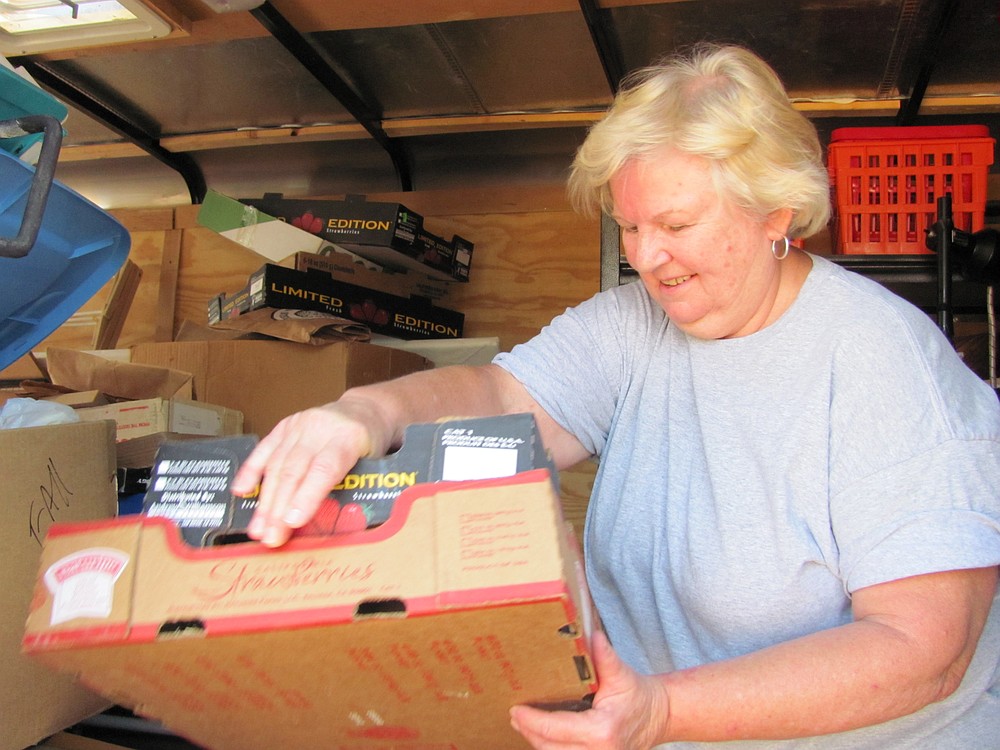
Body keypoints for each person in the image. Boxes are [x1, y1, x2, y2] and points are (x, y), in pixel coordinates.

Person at [232, 43, 1000, 748]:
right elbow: (499, 394)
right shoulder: (634, 326)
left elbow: (920, 650)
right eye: (628, 225)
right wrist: (366, 415)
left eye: (675, 222)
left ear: (779, 213)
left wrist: (663, 710)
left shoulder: (884, 361)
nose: (646, 257)